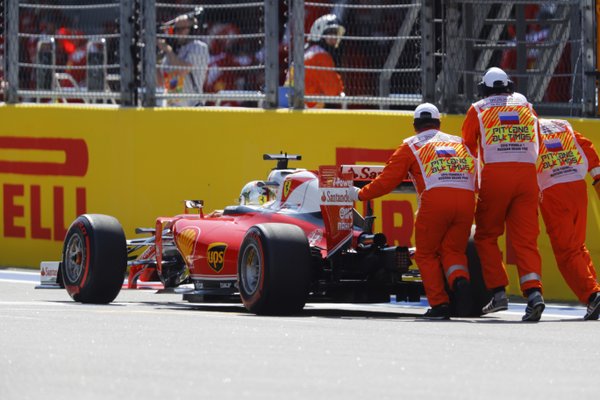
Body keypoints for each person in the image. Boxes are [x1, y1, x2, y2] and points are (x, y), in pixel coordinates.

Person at [350, 103, 477, 320]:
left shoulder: (410, 146)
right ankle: (459, 280)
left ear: (415, 125)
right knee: (453, 251)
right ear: (438, 123)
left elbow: (387, 181)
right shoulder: (460, 143)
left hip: (435, 202)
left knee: (426, 254)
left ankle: (439, 304)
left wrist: (361, 195)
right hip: (466, 201)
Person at [462, 67, 545, 322]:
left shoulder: (478, 108)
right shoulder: (524, 103)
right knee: (526, 240)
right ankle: (533, 294)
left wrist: (472, 186)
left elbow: (468, 148)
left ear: (484, 88)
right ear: (508, 86)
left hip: (496, 175)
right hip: (527, 175)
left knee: (486, 236)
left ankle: (498, 292)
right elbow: (539, 138)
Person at [537, 118, 600, 320]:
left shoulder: (525, 127)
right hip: (577, 186)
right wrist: (597, 179)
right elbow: (586, 145)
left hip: (553, 189)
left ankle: (592, 295)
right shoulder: (561, 124)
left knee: (566, 250)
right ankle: (594, 291)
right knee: (577, 246)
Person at [157, 9, 209, 107]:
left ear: (192, 30)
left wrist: (168, 51)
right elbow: (161, 81)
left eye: (181, 29)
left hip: (191, 106)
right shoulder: (173, 52)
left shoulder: (198, 47)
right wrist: (152, 58)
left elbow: (183, 70)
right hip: (171, 107)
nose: (178, 32)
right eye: (176, 29)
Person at [303, 14, 345, 108]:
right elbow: (333, 92)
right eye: (330, 33)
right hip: (309, 109)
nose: (334, 38)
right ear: (319, 33)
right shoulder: (321, 56)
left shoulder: (308, 52)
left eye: (336, 34)